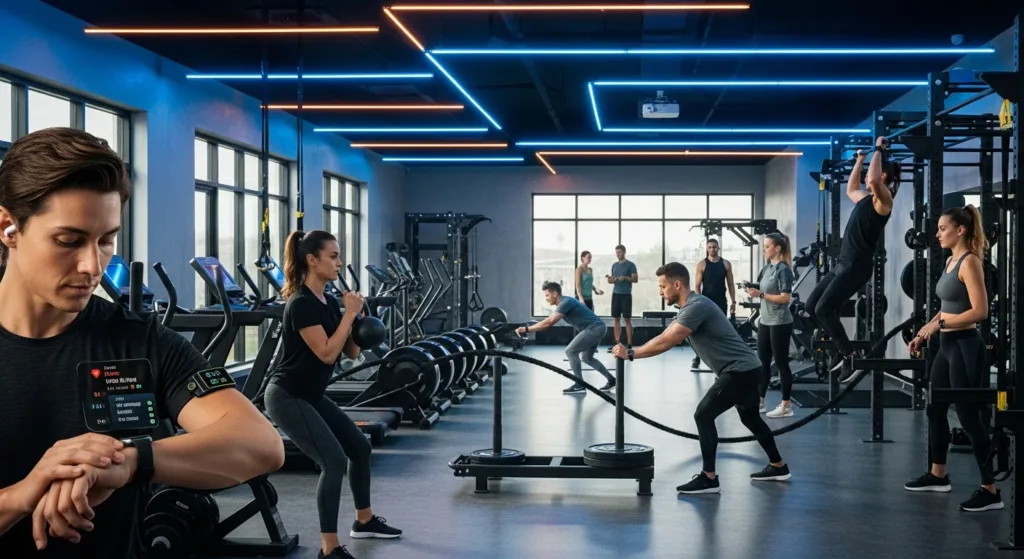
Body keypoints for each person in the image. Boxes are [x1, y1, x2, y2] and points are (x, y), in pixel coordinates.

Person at [0, 128, 285, 558]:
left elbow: (260, 443)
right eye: (68, 240)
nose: (92, 265)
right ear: (8, 227)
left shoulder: (140, 340)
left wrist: (128, 462)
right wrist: (23, 495)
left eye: (107, 240)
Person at [264, 230, 402, 559]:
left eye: (339, 256)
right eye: (333, 256)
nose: (339, 262)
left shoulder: (327, 302)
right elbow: (326, 354)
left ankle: (364, 520)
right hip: (287, 395)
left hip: (310, 393)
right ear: (312, 260)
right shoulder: (301, 304)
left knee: (359, 447)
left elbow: (351, 352)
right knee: (333, 460)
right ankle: (329, 548)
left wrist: (359, 321)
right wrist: (350, 314)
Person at [612, 262, 790, 494]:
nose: (660, 292)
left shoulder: (697, 306)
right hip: (748, 369)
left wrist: (632, 353)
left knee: (703, 415)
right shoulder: (690, 307)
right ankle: (778, 466)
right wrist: (632, 349)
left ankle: (709, 478)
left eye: (662, 286)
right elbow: (666, 334)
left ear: (677, 284)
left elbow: (669, 340)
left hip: (739, 371)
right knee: (751, 419)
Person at [904, 205, 1001, 512]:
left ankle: (990, 490)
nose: (937, 234)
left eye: (943, 228)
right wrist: (926, 329)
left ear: (960, 230)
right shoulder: (950, 260)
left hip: (965, 345)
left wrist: (940, 325)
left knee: (969, 417)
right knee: (935, 408)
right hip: (945, 345)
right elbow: (947, 306)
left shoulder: (970, 262)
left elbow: (979, 312)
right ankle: (938, 474)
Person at [805, 136, 901, 382]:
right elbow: (850, 188)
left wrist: (878, 149)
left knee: (824, 309)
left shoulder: (884, 201)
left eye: (873, 172)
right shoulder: (866, 199)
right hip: (843, 264)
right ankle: (840, 349)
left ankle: (850, 356)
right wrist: (860, 159)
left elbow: (870, 179)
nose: (870, 175)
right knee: (811, 307)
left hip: (857, 266)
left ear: (882, 177)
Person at [517, 281, 615, 394]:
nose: (546, 298)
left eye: (547, 295)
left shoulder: (565, 302)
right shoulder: (564, 302)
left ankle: (579, 384)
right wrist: (530, 327)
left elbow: (549, 322)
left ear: (555, 293)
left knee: (571, 351)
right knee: (587, 358)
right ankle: (612, 380)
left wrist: (526, 329)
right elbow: (548, 320)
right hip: (598, 328)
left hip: (594, 329)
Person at [747, 232, 796, 418]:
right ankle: (759, 402)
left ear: (777, 248)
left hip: (780, 322)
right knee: (763, 363)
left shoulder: (783, 269)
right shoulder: (767, 268)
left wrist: (760, 295)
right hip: (765, 321)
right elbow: (761, 287)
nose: (764, 250)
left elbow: (785, 298)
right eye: (763, 247)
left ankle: (786, 406)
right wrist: (751, 287)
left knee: (782, 364)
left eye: (767, 247)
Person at [690, 238, 736, 371]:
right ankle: (698, 357)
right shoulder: (701, 265)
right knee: (702, 330)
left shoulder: (726, 264)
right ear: (706, 249)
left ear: (718, 248)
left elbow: (731, 284)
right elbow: (697, 286)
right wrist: (699, 301)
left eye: (714, 247)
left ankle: (723, 360)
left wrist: (733, 301)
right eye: (710, 247)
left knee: (721, 329)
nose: (712, 249)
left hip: (721, 301)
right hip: (706, 301)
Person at [606, 244, 637, 352]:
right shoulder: (614, 265)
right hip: (616, 294)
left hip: (626, 295)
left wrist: (626, 278)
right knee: (616, 319)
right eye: (616, 252)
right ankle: (617, 343)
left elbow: (635, 279)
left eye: (619, 252)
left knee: (627, 320)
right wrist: (611, 279)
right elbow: (611, 281)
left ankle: (629, 344)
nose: (618, 254)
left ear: (624, 252)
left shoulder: (630, 265)